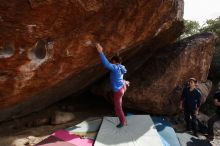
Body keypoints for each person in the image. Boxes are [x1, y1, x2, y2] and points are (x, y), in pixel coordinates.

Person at [96, 43, 129, 128]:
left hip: (118, 90)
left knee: (118, 107)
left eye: (112, 62)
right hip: (123, 87)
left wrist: (100, 52)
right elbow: (121, 68)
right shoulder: (121, 67)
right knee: (123, 83)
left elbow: (106, 64)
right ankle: (126, 82)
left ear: (114, 62)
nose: (111, 63)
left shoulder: (115, 67)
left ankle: (122, 122)